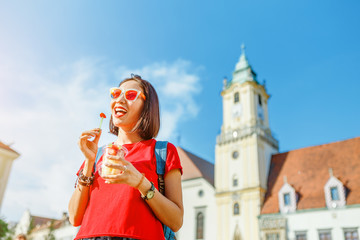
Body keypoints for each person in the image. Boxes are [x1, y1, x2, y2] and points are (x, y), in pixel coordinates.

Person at [68, 74, 184, 240]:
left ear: (147, 107)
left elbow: (176, 221)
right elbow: (74, 218)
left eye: (130, 95)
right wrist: (89, 162)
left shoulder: (163, 151)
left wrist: (140, 182)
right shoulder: (98, 154)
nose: (120, 100)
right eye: (116, 94)